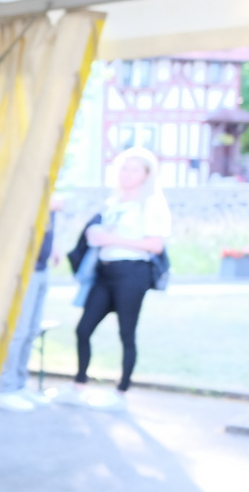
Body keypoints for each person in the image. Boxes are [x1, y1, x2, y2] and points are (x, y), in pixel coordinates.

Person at [65, 147, 171, 410]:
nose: (127, 174)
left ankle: (122, 390)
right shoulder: (113, 203)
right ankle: (79, 383)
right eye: (124, 168)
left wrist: (112, 239)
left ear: (146, 174)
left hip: (132, 273)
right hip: (104, 272)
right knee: (83, 329)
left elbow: (155, 245)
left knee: (126, 332)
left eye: (134, 169)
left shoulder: (151, 203)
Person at [0, 200, 60, 411]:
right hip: (25, 269)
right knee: (18, 332)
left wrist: (54, 246)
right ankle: (5, 388)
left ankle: (19, 384)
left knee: (31, 331)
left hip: (42, 268)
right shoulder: (33, 193)